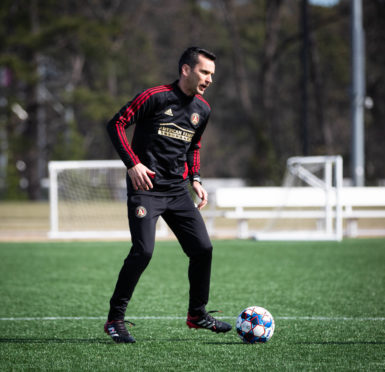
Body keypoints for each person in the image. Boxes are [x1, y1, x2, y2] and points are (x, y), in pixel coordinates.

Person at [104, 47, 232, 343]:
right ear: (186, 70)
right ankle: (115, 319)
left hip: (177, 191)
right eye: (204, 72)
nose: (210, 79)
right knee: (143, 251)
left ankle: (197, 315)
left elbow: (193, 147)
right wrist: (133, 164)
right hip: (146, 189)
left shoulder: (203, 109)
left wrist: (196, 179)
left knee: (203, 249)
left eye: (212, 74)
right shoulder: (154, 97)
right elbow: (116, 124)